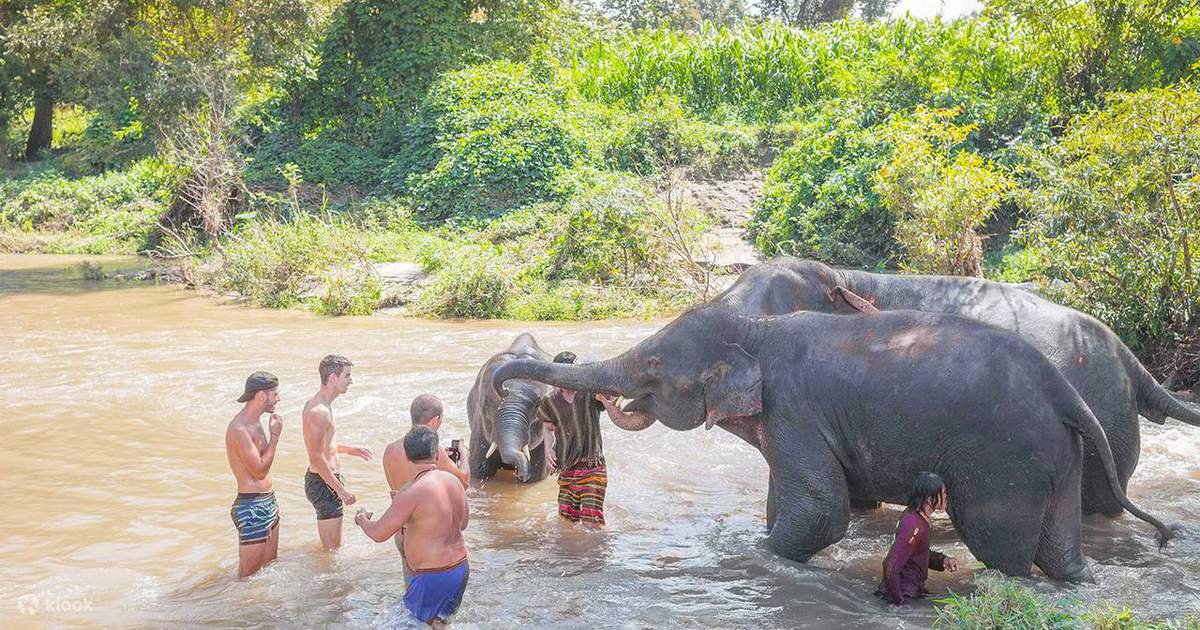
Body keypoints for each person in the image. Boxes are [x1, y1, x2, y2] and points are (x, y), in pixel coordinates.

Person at [356, 426, 470, 627]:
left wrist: (362, 519)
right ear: (437, 455)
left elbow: (378, 534)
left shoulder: (411, 492)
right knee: (438, 624)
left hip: (433, 576)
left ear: (407, 457)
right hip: (460, 569)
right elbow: (463, 523)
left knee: (411, 624)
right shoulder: (454, 481)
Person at [540, 351, 636, 525]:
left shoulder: (589, 393)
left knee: (593, 523)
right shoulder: (549, 400)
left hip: (593, 467)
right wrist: (548, 450)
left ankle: (604, 544)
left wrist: (607, 394)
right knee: (566, 522)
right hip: (567, 468)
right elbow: (548, 428)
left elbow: (610, 397)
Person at [383, 394, 470, 578]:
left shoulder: (390, 449)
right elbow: (462, 482)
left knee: (411, 588)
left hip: (401, 532)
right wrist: (464, 457)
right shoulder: (436, 450)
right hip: (426, 538)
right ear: (434, 420)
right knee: (432, 589)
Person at [302, 354, 372, 550]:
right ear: (333, 377)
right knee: (333, 552)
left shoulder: (321, 405)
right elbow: (316, 457)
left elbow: (322, 446)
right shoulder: (319, 411)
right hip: (324, 483)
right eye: (347, 375)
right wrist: (340, 490)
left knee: (331, 549)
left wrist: (349, 450)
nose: (351, 381)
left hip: (324, 480)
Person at [225, 371, 283, 578]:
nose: (278, 398)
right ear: (261, 396)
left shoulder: (256, 422)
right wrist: (275, 435)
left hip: (268, 501)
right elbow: (259, 471)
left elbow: (263, 460)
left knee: (269, 570)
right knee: (248, 579)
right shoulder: (239, 428)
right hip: (251, 508)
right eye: (275, 394)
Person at [877, 472, 960, 606]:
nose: (946, 496)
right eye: (943, 493)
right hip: (904, 594)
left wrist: (942, 560)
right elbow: (890, 566)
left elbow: (916, 552)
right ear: (930, 499)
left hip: (913, 590)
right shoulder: (913, 525)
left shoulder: (919, 517)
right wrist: (900, 603)